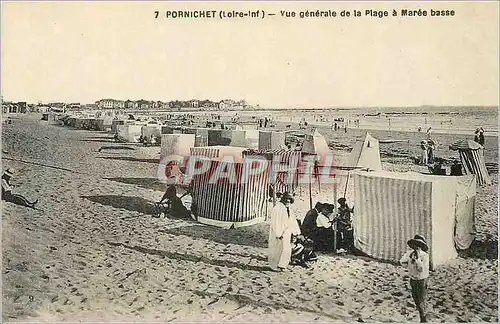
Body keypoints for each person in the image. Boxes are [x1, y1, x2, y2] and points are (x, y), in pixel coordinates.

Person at [399, 235, 430, 323]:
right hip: (413, 279)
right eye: (415, 244)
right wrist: (409, 260)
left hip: (422, 279)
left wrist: (416, 261)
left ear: (421, 246)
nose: (416, 247)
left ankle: (423, 318)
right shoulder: (409, 253)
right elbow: (402, 262)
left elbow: (421, 269)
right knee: (416, 299)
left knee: (421, 299)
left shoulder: (425, 256)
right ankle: (422, 315)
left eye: (418, 245)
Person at [268, 192, 301, 272]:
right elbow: (275, 222)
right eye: (286, 199)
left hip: (287, 232)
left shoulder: (289, 209)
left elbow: (292, 221)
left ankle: (282, 265)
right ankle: (275, 266)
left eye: (289, 200)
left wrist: (296, 231)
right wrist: (278, 233)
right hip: (278, 232)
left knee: (286, 249)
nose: (288, 201)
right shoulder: (277, 209)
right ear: (283, 199)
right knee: (277, 249)